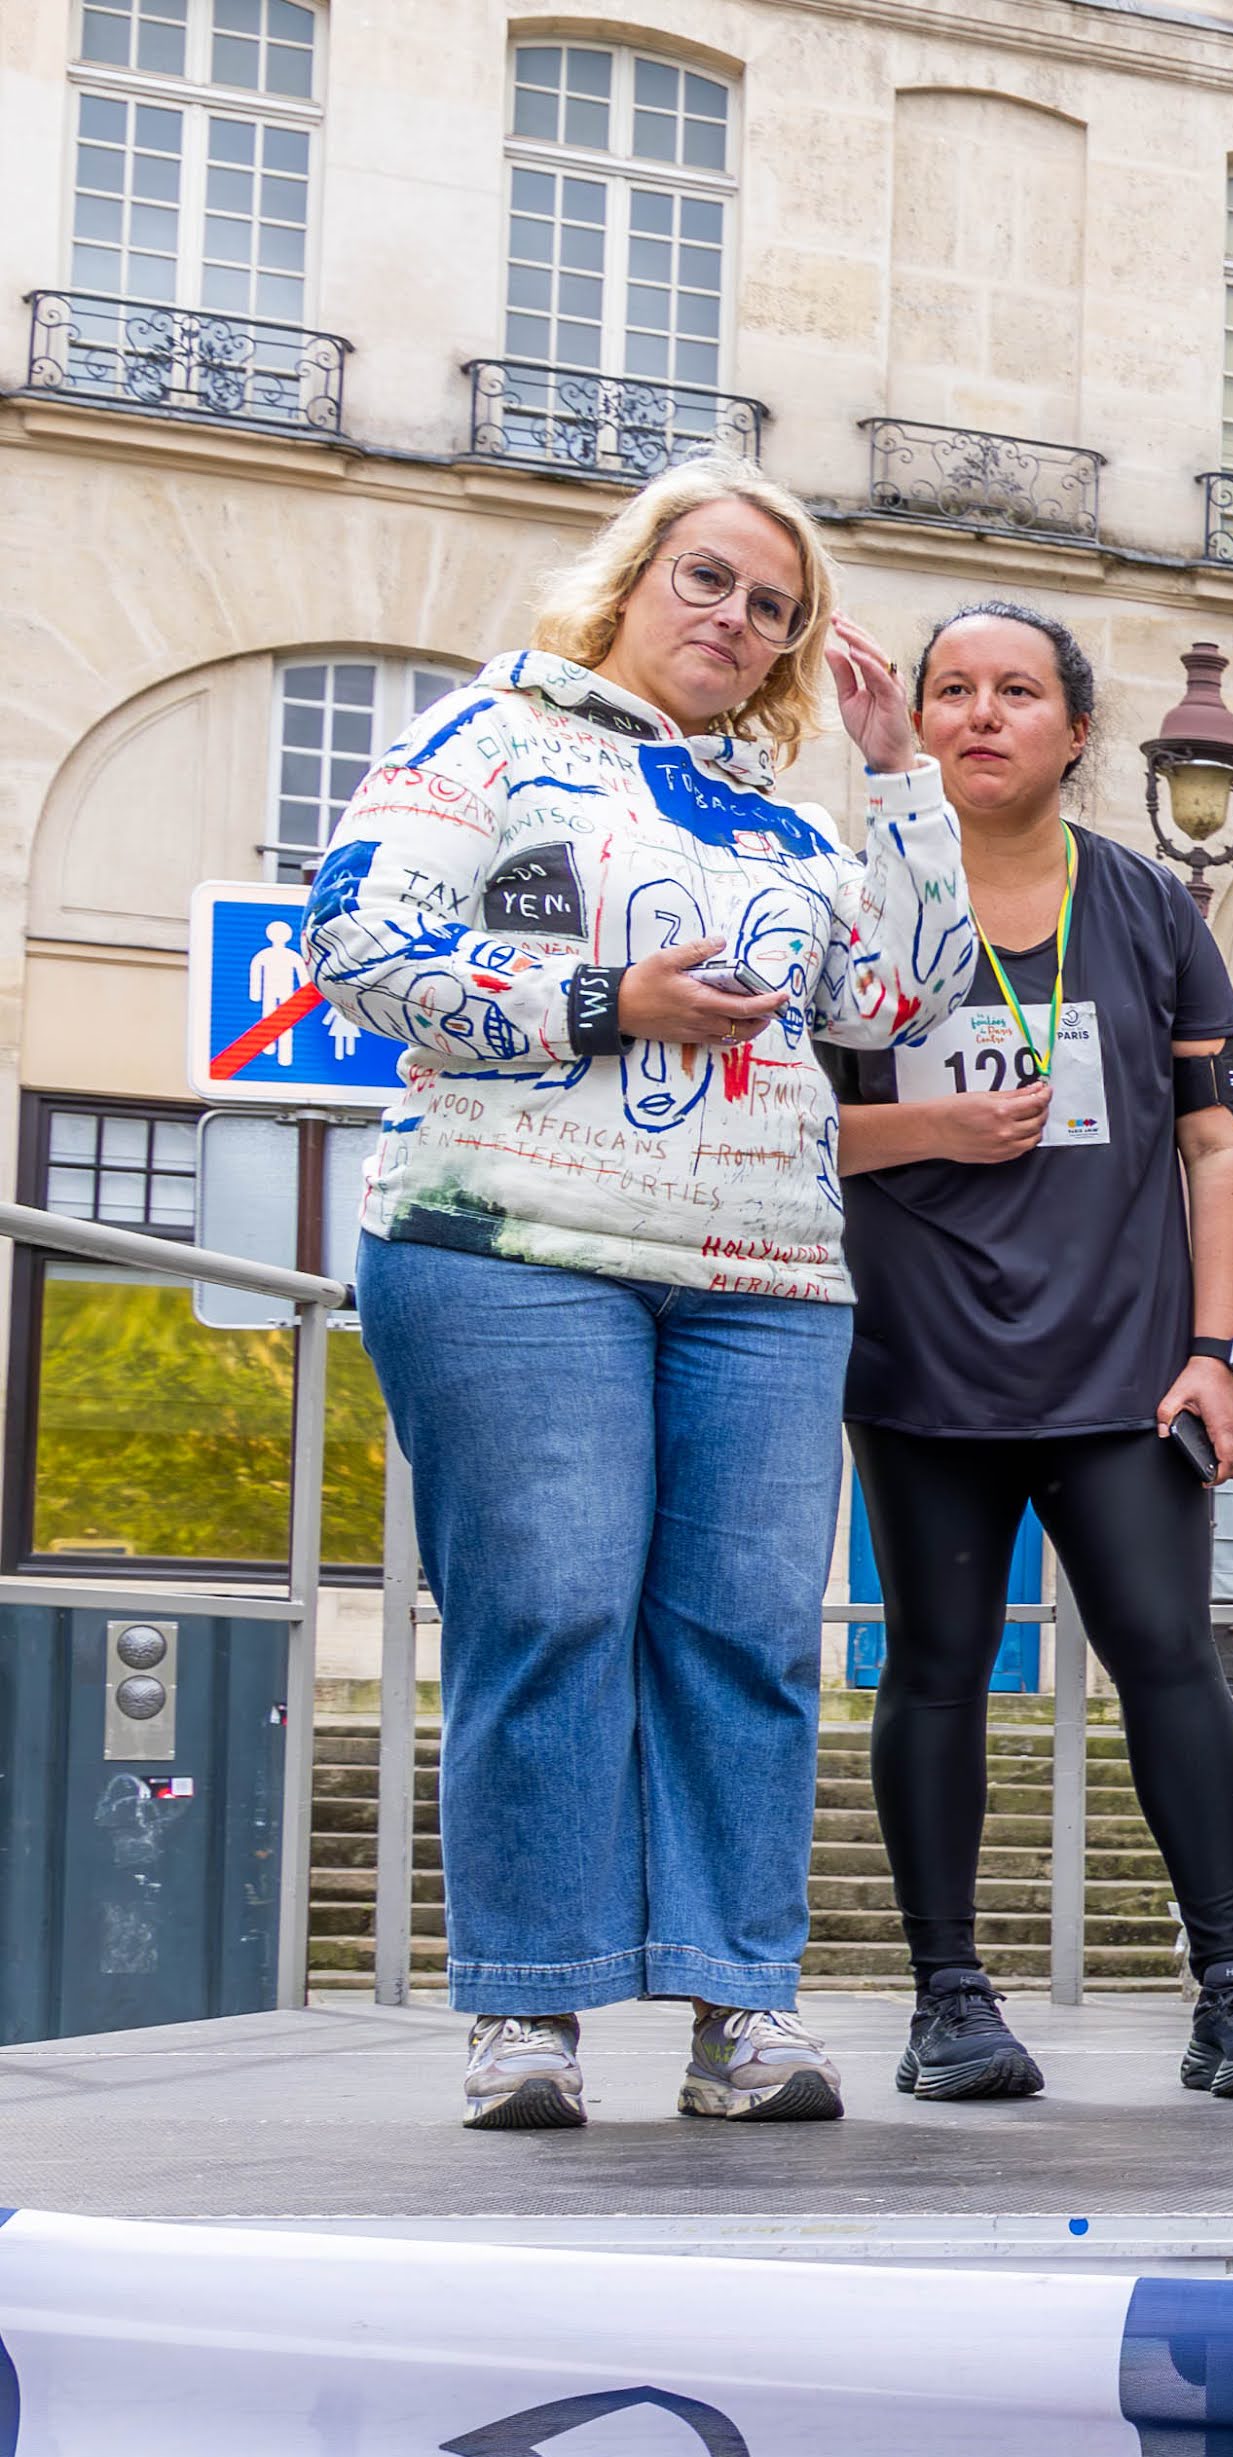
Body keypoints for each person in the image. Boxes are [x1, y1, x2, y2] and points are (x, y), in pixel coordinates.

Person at [305, 460, 967, 2130]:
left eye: (772, 609)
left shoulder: (792, 818)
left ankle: (740, 2006)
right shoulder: (489, 740)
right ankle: (527, 2015)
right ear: (629, 578)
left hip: (765, 1274)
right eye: (708, 580)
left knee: (748, 1642)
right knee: (551, 1613)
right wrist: (608, 997)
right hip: (509, 1246)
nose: (735, 621)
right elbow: (356, 945)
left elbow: (902, 991)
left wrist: (899, 782)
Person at [822, 601, 1233, 2107]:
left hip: (1122, 1372)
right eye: (952, 690)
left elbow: (1220, 1145)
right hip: (923, 1368)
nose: (981, 714)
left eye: (1017, 691)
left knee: (1173, 1661)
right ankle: (947, 1999)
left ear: (1076, 731)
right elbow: (775, 1127)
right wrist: (929, 1129)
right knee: (934, 1670)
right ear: (910, 721)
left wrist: (1214, 1348)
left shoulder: (1152, 911)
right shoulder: (860, 909)